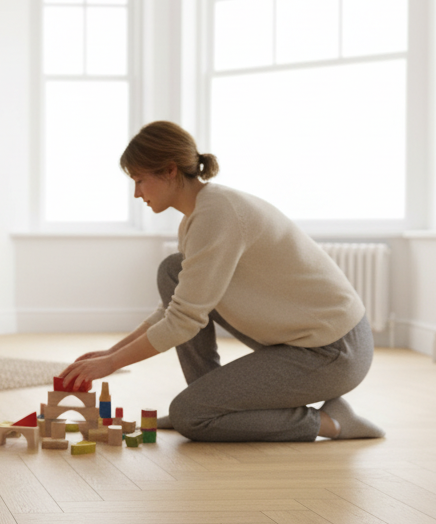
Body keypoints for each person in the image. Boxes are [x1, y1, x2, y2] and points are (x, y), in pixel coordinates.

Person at [58, 121, 384, 442]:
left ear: (170, 170)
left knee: (191, 416)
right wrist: (109, 353)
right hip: (303, 342)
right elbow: (177, 309)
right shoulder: (197, 217)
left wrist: (112, 363)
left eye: (140, 180)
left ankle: (331, 422)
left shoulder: (218, 214)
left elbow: (182, 321)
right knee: (173, 270)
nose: (136, 193)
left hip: (334, 351)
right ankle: (208, 403)